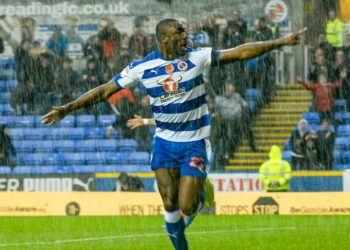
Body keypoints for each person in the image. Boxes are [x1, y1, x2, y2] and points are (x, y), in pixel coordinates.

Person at [42, 18, 306, 250]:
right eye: (179, 32)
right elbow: (105, 90)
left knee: (188, 206)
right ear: (164, 38)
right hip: (165, 142)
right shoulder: (143, 67)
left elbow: (238, 53)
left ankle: (199, 196)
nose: (185, 36)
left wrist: (280, 41)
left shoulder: (197, 56)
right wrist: (68, 108)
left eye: (185, 32)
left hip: (194, 143)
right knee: (169, 203)